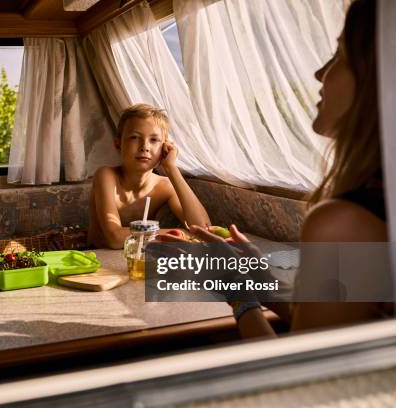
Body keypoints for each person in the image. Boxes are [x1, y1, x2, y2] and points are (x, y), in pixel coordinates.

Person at [179, 0, 390, 338]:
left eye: (339, 56)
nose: (320, 73)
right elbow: (332, 325)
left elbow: (304, 386)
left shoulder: (344, 223)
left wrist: (238, 294)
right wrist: (259, 277)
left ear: (377, 77)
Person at [88, 103, 210, 249]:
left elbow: (203, 229)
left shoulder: (164, 186)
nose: (144, 146)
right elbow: (114, 238)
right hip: (97, 256)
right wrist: (179, 234)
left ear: (165, 148)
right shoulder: (106, 176)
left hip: (140, 256)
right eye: (134, 137)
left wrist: (171, 168)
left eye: (154, 140)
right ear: (118, 144)